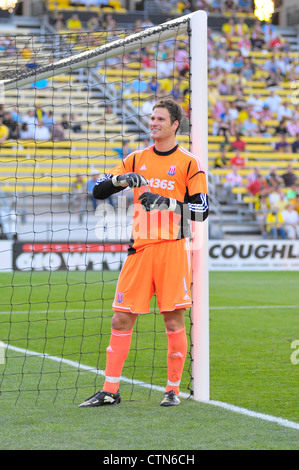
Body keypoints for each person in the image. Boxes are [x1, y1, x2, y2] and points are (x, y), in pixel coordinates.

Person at [79, 99, 209, 408]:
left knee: (174, 320)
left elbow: (202, 211)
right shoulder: (136, 158)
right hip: (139, 249)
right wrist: (120, 180)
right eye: (151, 118)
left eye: (160, 118)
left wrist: (165, 202)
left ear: (175, 124)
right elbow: (97, 190)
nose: (153, 122)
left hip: (173, 249)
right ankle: (110, 391)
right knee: (120, 319)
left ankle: (173, 390)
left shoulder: (189, 162)